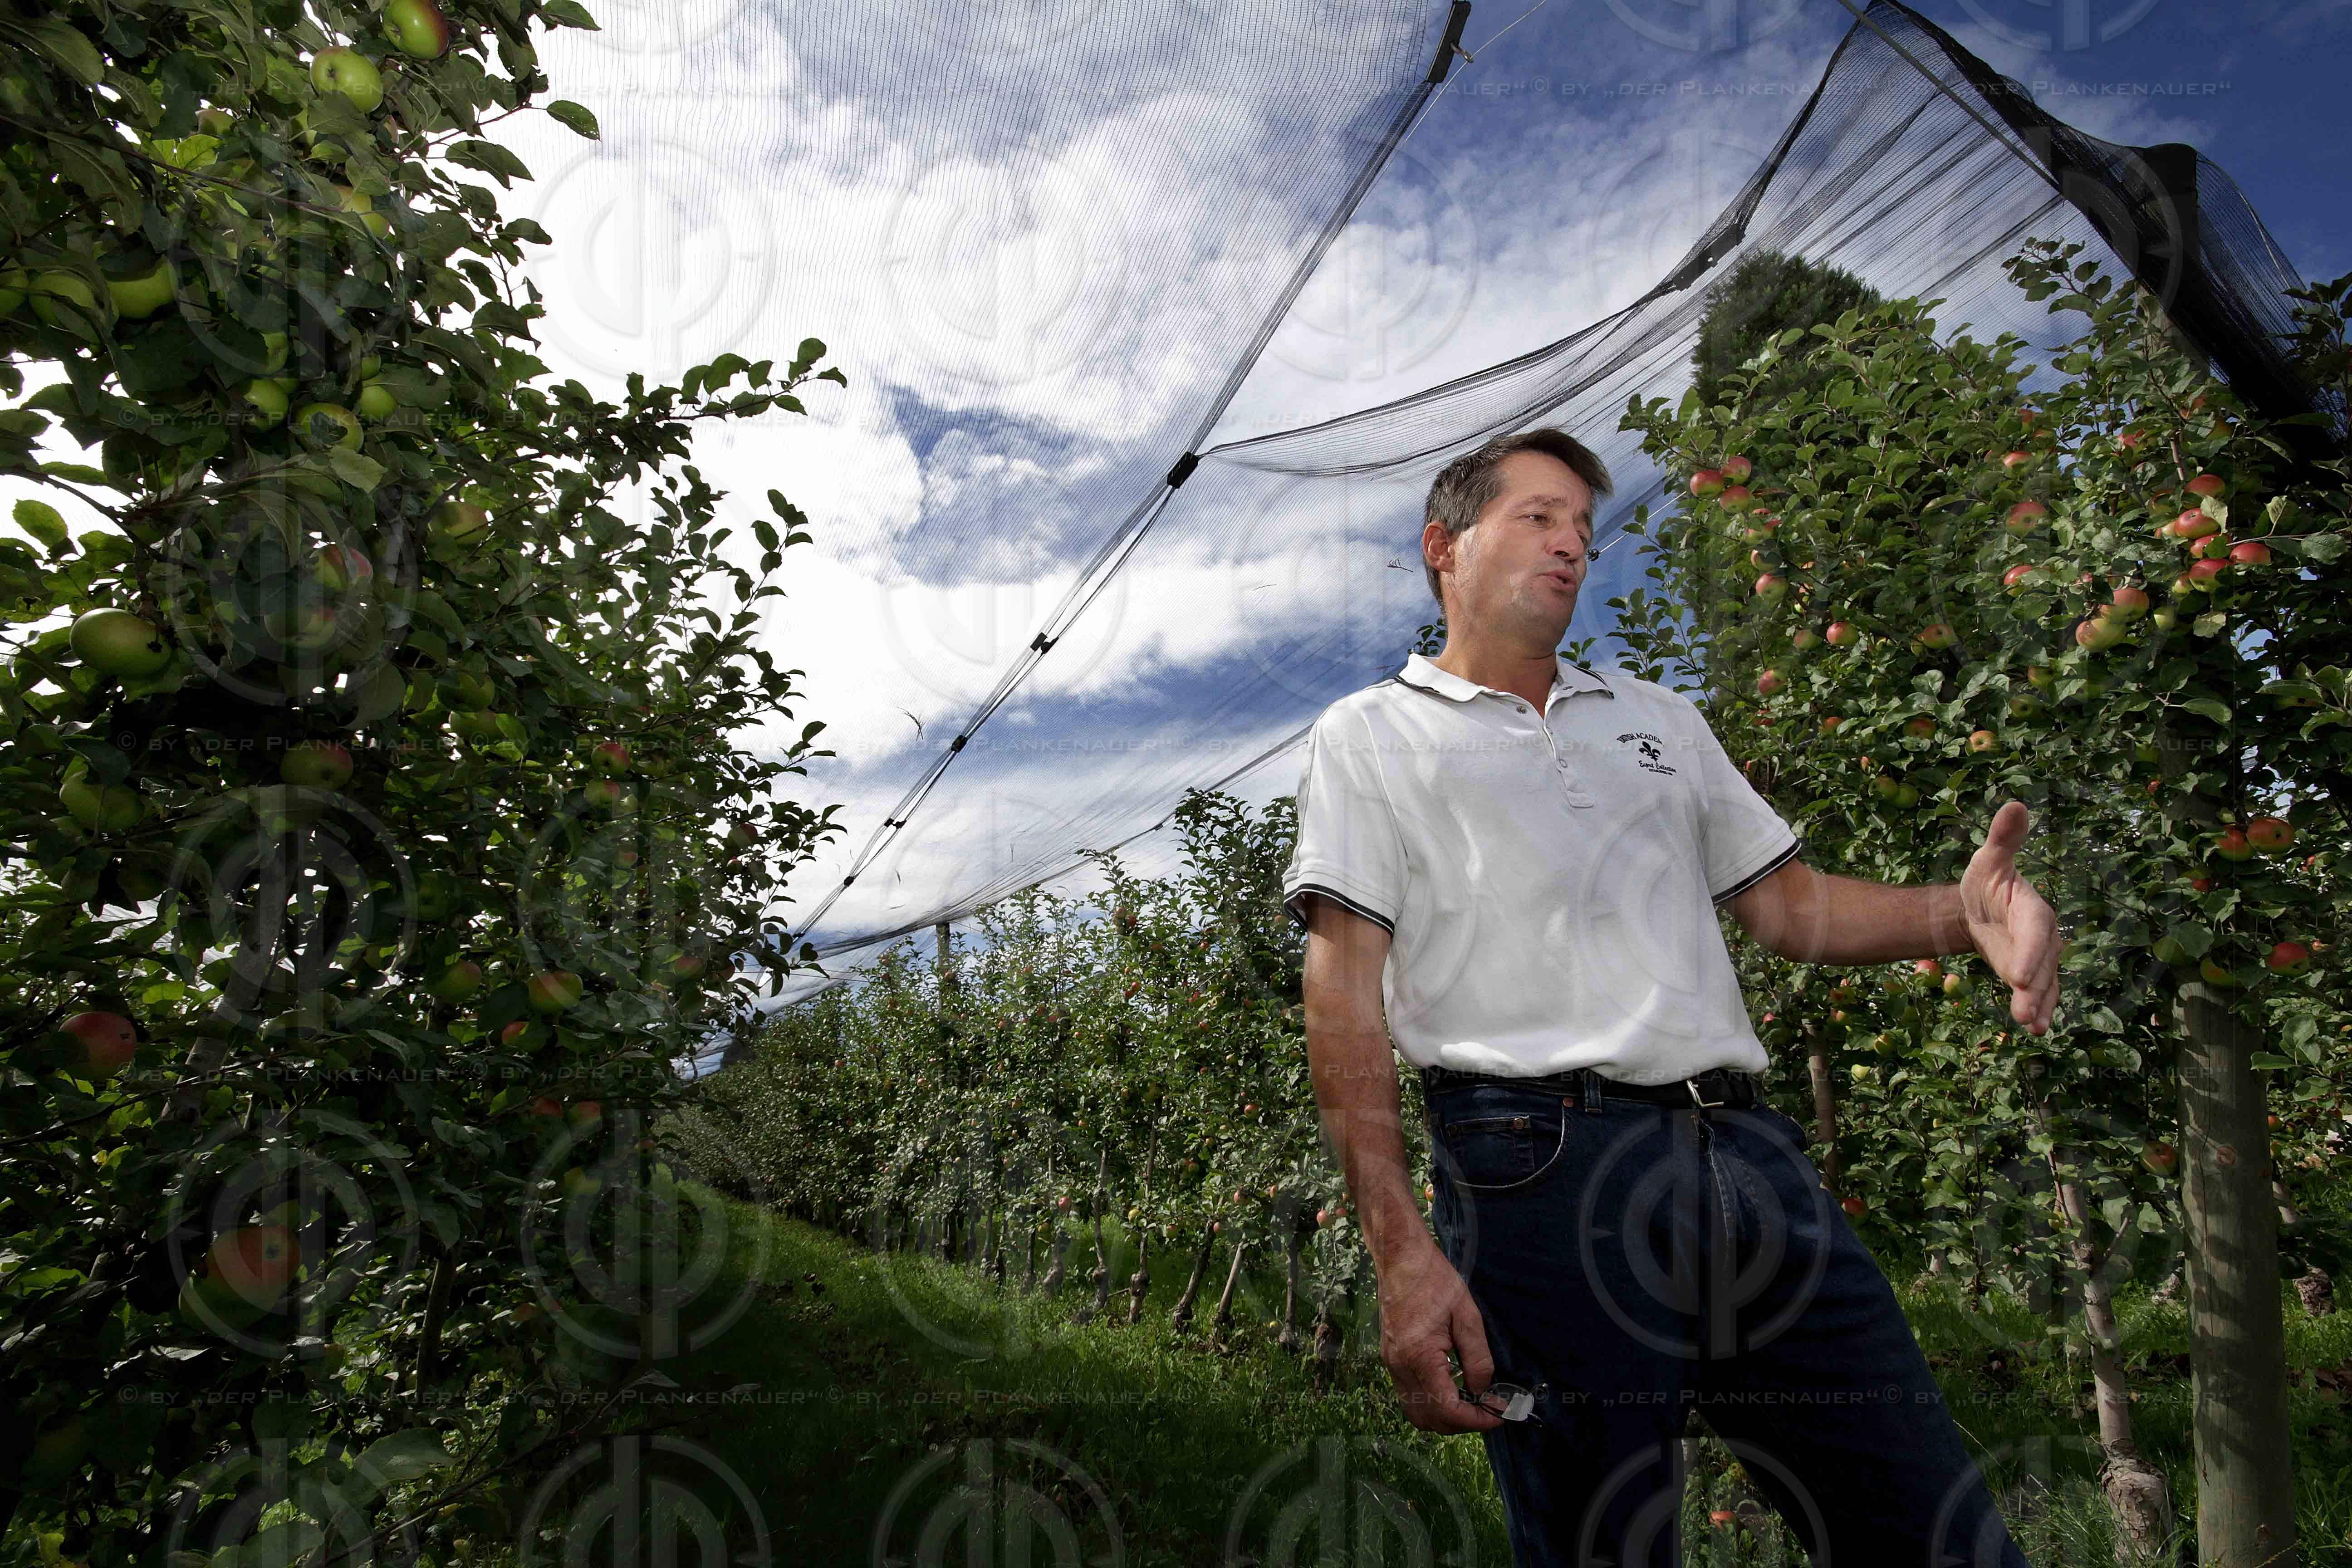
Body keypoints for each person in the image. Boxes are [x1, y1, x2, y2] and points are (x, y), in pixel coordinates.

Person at [1282, 427, 2058, 1567]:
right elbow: (1342, 994)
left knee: (1932, 1526)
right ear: (1443, 546)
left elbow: (1791, 909)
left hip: (1747, 1157)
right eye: (1539, 518)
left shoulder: (1658, 719)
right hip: (1540, 1167)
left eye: (1585, 530)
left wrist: (1965, 913)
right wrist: (1401, 1250)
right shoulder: (1372, 735)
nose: (1572, 548)